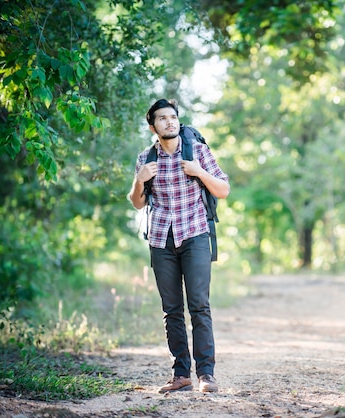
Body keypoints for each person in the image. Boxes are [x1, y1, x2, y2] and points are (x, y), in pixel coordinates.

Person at [128, 99, 230, 393]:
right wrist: (139, 180)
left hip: (196, 235)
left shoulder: (197, 151)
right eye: (162, 119)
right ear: (153, 126)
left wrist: (199, 171)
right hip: (161, 239)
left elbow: (223, 189)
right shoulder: (145, 159)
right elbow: (137, 202)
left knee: (199, 305)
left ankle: (206, 375)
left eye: (173, 117)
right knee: (171, 309)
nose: (169, 122)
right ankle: (181, 373)